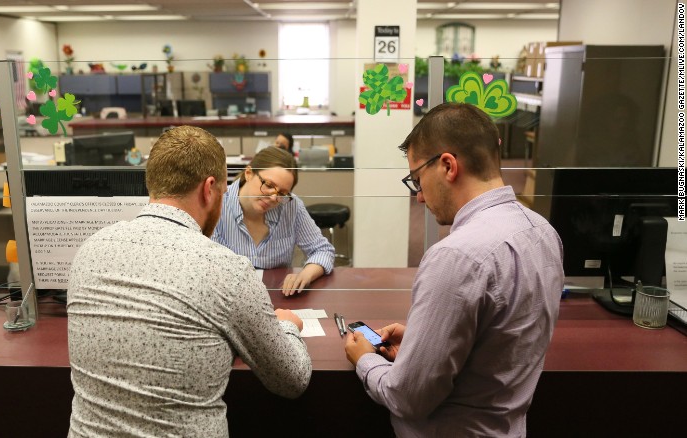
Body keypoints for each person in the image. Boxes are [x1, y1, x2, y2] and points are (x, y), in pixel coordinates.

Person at [66, 126, 312, 437]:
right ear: (209, 189)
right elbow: (292, 379)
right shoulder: (227, 271)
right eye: (224, 192)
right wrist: (288, 325)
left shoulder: (89, 251)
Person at [344, 103, 564, 436]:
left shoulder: (456, 257)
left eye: (417, 180)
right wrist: (426, 339)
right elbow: (502, 340)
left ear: (448, 166)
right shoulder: (543, 232)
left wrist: (364, 359)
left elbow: (407, 397)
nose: (419, 197)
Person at [213, 146, 335, 295]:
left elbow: (323, 250)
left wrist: (305, 274)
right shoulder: (216, 205)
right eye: (269, 185)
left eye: (282, 193)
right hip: (227, 299)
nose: (273, 198)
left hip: (278, 298)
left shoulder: (291, 206)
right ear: (249, 173)